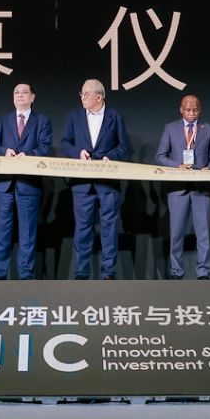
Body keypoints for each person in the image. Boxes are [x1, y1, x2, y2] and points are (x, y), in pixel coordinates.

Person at [60, 79, 129, 280]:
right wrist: (78, 152)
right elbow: (65, 142)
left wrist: (110, 156)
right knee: (82, 229)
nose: (83, 97)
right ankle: (82, 272)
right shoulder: (74, 116)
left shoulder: (115, 116)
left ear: (99, 97)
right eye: (81, 93)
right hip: (82, 182)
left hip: (108, 182)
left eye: (86, 94)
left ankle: (108, 273)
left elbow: (123, 146)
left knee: (109, 228)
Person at [154, 94, 210, 280]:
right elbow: (160, 156)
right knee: (176, 233)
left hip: (202, 188)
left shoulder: (209, 129)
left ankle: (203, 272)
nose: (192, 113)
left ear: (200, 110)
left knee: (203, 234)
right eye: (188, 110)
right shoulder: (170, 128)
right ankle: (176, 271)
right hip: (178, 188)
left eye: (195, 110)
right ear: (181, 110)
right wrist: (178, 165)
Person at [0, 83, 52, 280]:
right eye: (16, 92)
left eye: (24, 92)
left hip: (29, 183)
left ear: (32, 97)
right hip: (4, 183)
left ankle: (25, 274)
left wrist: (28, 155)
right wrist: (4, 151)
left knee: (27, 233)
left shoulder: (42, 121)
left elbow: (45, 147)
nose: (20, 96)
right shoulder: (4, 119)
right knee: (2, 231)